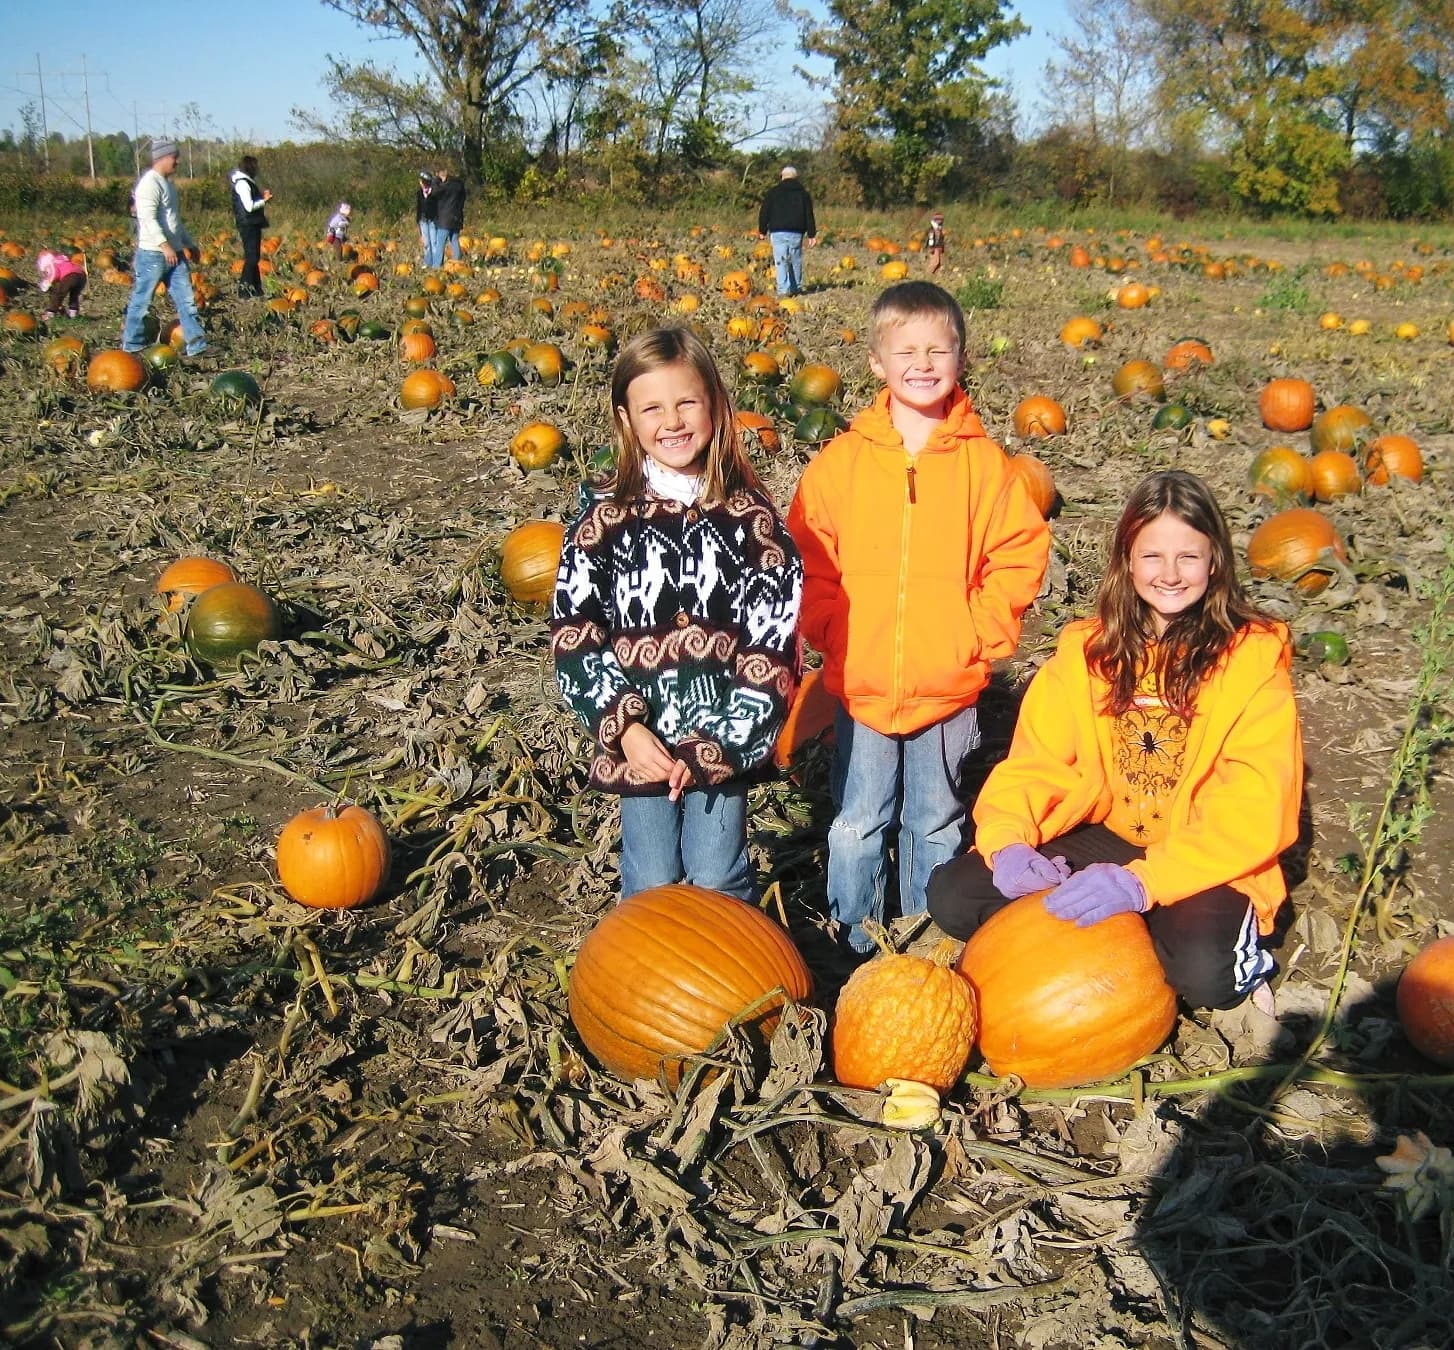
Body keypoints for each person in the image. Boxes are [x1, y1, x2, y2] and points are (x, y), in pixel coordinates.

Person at [926, 470, 1304, 1012]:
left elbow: (1252, 808)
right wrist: (1008, 842)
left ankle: (1201, 942)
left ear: (1216, 561)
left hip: (1201, 852)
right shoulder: (1090, 652)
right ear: (1128, 560)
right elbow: (1036, 764)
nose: (1170, 574)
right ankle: (1128, 932)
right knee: (956, 896)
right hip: (1113, 834)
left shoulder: (1252, 665)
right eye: (1152, 556)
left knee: (1207, 976)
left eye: (1189, 557)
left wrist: (1147, 883)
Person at [788, 282, 1050, 954]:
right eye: (906, 349)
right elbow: (808, 552)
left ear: (961, 358)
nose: (924, 362)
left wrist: (977, 636)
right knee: (858, 820)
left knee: (934, 821)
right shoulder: (843, 463)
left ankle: (922, 941)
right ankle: (853, 942)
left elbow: (1019, 553)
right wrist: (828, 628)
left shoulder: (984, 465)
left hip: (946, 687)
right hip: (865, 681)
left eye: (939, 349)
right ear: (877, 362)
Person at [552, 327, 804, 903]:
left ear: (715, 405)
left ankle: (732, 981)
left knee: (718, 874)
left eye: (687, 402)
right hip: (641, 745)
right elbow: (575, 636)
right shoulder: (605, 519)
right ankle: (641, 989)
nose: (673, 421)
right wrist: (626, 727)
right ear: (626, 418)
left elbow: (774, 642)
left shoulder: (752, 519)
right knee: (650, 875)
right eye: (653, 408)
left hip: (723, 743)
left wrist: (722, 742)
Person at [120, 137, 210, 359]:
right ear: (162, 157)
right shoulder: (149, 184)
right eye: (174, 157)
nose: (177, 161)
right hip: (153, 254)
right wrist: (164, 246)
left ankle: (197, 346)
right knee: (142, 300)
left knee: (187, 300)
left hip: (175, 253)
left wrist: (189, 244)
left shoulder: (168, 184)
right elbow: (147, 219)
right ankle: (132, 345)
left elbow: (174, 222)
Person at [757, 166, 817, 298]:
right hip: (796, 232)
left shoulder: (773, 192)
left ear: (782, 177)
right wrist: (811, 234)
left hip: (778, 231)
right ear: (796, 178)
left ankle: (783, 289)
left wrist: (762, 230)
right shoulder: (803, 194)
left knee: (781, 260)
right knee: (795, 259)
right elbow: (809, 215)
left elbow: (764, 211)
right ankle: (796, 288)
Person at [229, 155, 272, 299]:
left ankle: (256, 289)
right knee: (252, 258)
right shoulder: (242, 183)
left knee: (254, 257)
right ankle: (244, 289)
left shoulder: (246, 182)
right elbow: (249, 206)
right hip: (248, 224)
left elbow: (251, 200)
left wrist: (260, 196)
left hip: (252, 223)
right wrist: (264, 201)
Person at [35, 247, 86, 321]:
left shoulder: (50, 264)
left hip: (71, 276)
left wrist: (46, 283)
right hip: (81, 275)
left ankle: (50, 313)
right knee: (74, 295)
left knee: (58, 293)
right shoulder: (61, 260)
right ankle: (73, 313)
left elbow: (54, 274)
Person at [432, 168, 465, 264]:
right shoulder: (459, 185)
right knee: (454, 240)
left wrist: (435, 181)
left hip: (444, 219)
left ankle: (437, 266)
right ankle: (457, 263)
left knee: (440, 243)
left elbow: (434, 193)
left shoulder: (444, 187)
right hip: (457, 217)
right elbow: (463, 199)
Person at [415, 170, 438, 269]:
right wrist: (418, 221)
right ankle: (427, 262)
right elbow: (419, 208)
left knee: (434, 242)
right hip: (423, 221)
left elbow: (437, 207)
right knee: (426, 243)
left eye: (423, 181)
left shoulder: (434, 192)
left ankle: (435, 263)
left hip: (433, 221)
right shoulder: (419, 193)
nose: (421, 183)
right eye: (421, 181)